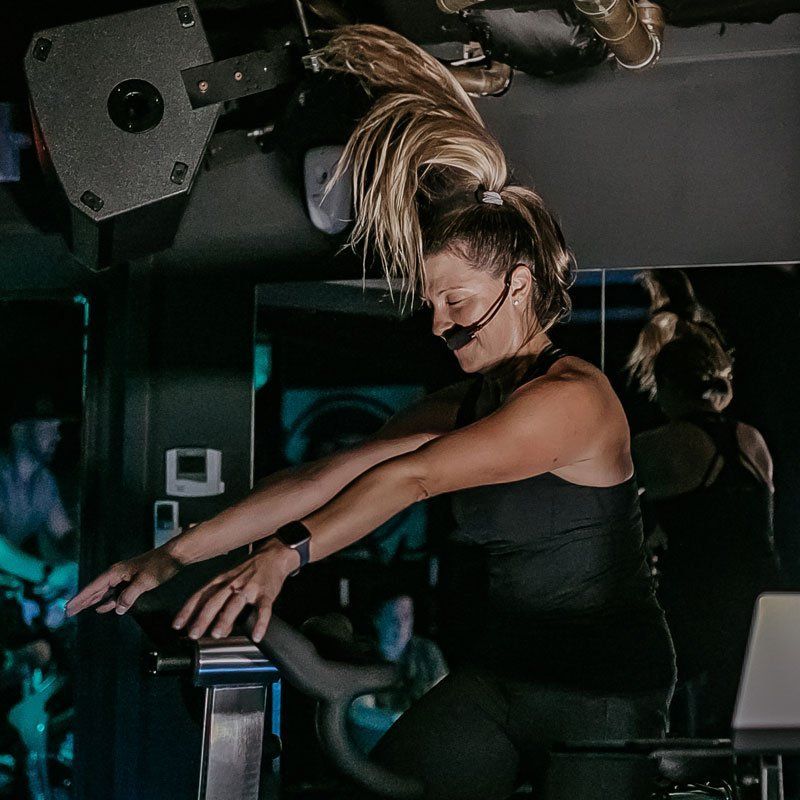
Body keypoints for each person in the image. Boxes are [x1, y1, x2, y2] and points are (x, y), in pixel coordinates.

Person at [68, 25, 675, 800]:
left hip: (604, 693)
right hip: (500, 677)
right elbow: (330, 473)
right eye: (430, 304)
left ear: (517, 289)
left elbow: (415, 479)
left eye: (455, 302)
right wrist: (173, 556)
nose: (439, 325)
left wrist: (286, 556)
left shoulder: (571, 403)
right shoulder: (473, 401)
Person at [629, 271, 781, 735]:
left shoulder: (667, 446)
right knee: (757, 745)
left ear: (669, 387)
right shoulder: (752, 442)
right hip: (765, 608)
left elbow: (602, 493)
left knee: (685, 731)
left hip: (702, 613)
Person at [349, 593, 447, 753]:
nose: (401, 625)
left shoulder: (427, 652)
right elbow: (359, 711)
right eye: (394, 618)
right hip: (377, 745)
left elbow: (443, 701)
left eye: (407, 617)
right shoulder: (362, 656)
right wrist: (399, 721)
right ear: (377, 619)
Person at [0, 397, 77, 596]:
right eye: (48, 427)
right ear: (19, 431)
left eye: (58, 427)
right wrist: (47, 573)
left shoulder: (44, 481)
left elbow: (63, 533)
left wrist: (86, 561)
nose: (57, 436)